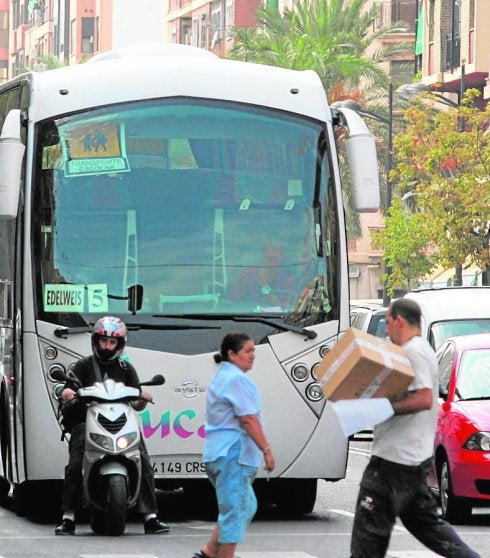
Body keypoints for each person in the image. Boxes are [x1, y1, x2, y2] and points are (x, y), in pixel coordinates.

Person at [350, 298, 480, 558]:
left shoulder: (414, 351)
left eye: (387, 323)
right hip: (410, 461)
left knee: (368, 537)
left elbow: (423, 398)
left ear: (399, 320)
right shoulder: (416, 351)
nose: (386, 331)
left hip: (393, 464)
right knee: (431, 529)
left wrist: (383, 406)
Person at [55, 316, 169, 536]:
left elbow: (137, 404)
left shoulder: (126, 368)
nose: (107, 346)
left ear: (120, 344)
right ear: (96, 341)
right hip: (85, 419)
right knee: (76, 461)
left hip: (121, 420)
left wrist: (142, 397)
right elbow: (67, 390)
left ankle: (150, 517)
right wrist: (67, 393)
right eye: (103, 341)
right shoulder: (83, 365)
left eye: (112, 342)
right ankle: (68, 517)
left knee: (142, 458)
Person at [192, 332, 275, 558]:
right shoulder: (236, 379)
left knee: (245, 505)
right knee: (236, 512)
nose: (252, 356)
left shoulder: (223, 376)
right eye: (247, 351)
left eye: (253, 351)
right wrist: (266, 450)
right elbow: (248, 419)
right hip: (233, 455)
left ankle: (209, 551)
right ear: (231, 354)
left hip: (219, 453)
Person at [229, 243, 296, 309]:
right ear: (263, 255)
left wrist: (264, 285)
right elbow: (234, 299)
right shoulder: (249, 273)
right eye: (268, 258)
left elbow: (283, 307)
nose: (271, 262)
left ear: (281, 257)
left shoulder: (287, 279)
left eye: (274, 259)